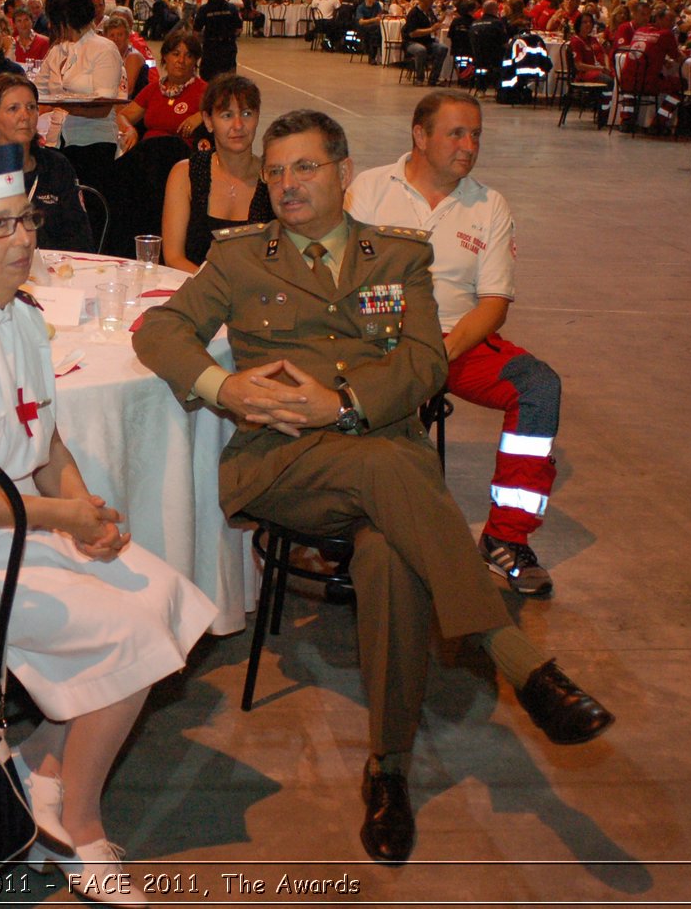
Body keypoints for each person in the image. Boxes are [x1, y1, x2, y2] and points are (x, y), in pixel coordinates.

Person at [133, 108, 613, 862]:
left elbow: (426, 361)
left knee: (390, 556)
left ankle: (388, 769)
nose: (288, 185)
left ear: (344, 172)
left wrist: (345, 404)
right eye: (277, 171)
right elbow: (157, 331)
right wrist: (225, 390)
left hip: (381, 461)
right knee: (391, 467)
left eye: (305, 168)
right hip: (282, 465)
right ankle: (519, 662)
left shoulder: (397, 256)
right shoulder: (238, 259)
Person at [0, 144, 215, 899]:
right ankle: (76, 829)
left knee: (161, 593)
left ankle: (43, 772)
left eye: (25, 219)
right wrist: (59, 514)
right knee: (129, 634)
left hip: (4, 527)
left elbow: (43, 438)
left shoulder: (19, 317)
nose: (22, 238)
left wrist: (82, 510)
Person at [347, 92, 561, 595]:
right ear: (420, 136)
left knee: (538, 387)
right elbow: (343, 274)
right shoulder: (369, 189)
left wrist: (435, 357)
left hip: (453, 341)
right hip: (373, 333)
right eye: (457, 133)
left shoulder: (489, 205)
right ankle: (339, 521)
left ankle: (506, 538)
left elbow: (493, 303)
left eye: (477, 135)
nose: (470, 146)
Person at [160, 74, 271, 274]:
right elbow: (173, 257)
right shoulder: (184, 174)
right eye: (227, 115)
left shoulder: (274, 178)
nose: (238, 125)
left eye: (246, 114)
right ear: (208, 121)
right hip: (195, 290)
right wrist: (215, 290)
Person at [0, 75, 92, 253]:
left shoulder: (56, 166)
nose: (25, 116)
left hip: (55, 273)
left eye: (31, 107)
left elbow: (81, 240)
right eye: (13, 108)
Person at [42, 0, 123, 235]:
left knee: (90, 218)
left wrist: (60, 102)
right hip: (58, 142)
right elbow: (38, 90)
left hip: (94, 144)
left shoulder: (104, 49)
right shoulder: (57, 51)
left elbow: (102, 107)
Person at [116, 29, 206, 150]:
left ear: (195, 61)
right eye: (176, 54)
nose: (181, 61)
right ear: (165, 57)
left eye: (189, 56)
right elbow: (122, 116)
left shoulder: (205, 91)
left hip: (182, 158)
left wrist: (203, 115)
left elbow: (225, 115)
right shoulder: (153, 89)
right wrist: (129, 129)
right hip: (147, 154)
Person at [193, 0, 242, 80]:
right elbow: (239, 29)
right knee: (229, 79)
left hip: (210, 48)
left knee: (207, 78)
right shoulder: (232, 8)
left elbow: (196, 32)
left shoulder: (204, 10)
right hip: (228, 47)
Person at [402, 0, 448, 85]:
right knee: (420, 50)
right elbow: (412, 33)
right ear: (423, 1)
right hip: (411, 42)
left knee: (443, 48)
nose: (433, 2)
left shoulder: (429, 12)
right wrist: (431, 29)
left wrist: (444, 16)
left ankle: (433, 78)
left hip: (427, 41)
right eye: (431, 0)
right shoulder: (414, 13)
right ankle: (419, 78)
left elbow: (435, 22)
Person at [100, 13, 148, 99]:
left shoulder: (133, 56)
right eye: (112, 35)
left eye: (120, 34)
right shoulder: (108, 55)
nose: (116, 39)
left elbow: (127, 91)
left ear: (127, 36)